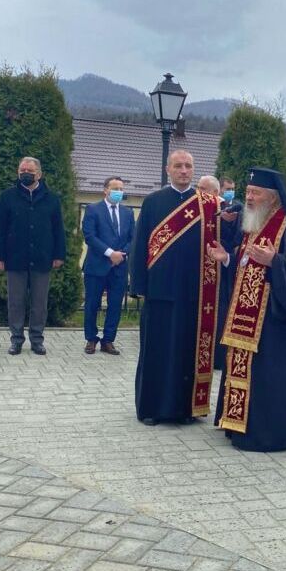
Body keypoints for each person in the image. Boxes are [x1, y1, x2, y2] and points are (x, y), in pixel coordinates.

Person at [209, 167, 286, 452]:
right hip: (245, 317)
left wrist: (276, 263)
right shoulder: (254, 222)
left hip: (275, 322)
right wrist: (227, 258)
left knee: (268, 377)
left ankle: (268, 431)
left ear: (272, 197)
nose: (250, 198)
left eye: (256, 193)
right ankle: (238, 423)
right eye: (248, 192)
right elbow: (246, 265)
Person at [130, 150, 220, 425]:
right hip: (160, 291)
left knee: (186, 352)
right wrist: (139, 285)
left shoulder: (208, 204)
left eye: (188, 166)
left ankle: (186, 409)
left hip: (194, 293)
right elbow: (140, 244)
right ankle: (152, 409)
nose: (184, 171)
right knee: (156, 350)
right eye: (178, 166)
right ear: (168, 169)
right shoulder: (153, 201)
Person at [0, 157, 66, 356]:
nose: (25, 173)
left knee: (39, 303)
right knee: (15, 301)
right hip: (15, 258)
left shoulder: (51, 198)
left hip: (42, 258)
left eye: (29, 170)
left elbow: (58, 229)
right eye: (22, 169)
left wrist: (59, 254)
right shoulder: (8, 196)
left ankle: (37, 340)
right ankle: (16, 340)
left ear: (38, 174)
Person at [81, 176, 133, 356]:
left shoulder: (128, 212)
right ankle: (91, 339)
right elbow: (89, 236)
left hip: (119, 267)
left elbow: (132, 238)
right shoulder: (93, 209)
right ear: (105, 190)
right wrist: (110, 253)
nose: (118, 191)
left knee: (115, 305)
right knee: (92, 304)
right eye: (115, 188)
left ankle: (108, 340)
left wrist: (122, 254)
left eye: (121, 188)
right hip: (97, 266)